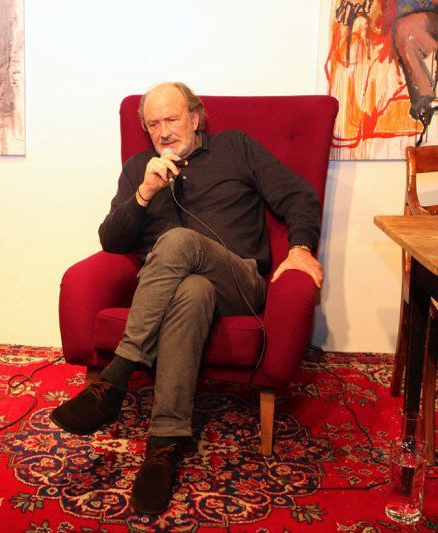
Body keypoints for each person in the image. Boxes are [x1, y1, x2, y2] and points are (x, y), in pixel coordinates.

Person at [50, 82, 324, 516]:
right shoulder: (141, 168)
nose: (163, 131)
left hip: (239, 283)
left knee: (179, 240)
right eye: (153, 124)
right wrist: (144, 193)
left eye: (172, 119)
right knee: (192, 292)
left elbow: (299, 196)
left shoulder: (236, 148)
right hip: (175, 293)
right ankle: (163, 446)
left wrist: (301, 248)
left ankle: (116, 377)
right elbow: (111, 240)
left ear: (195, 119)